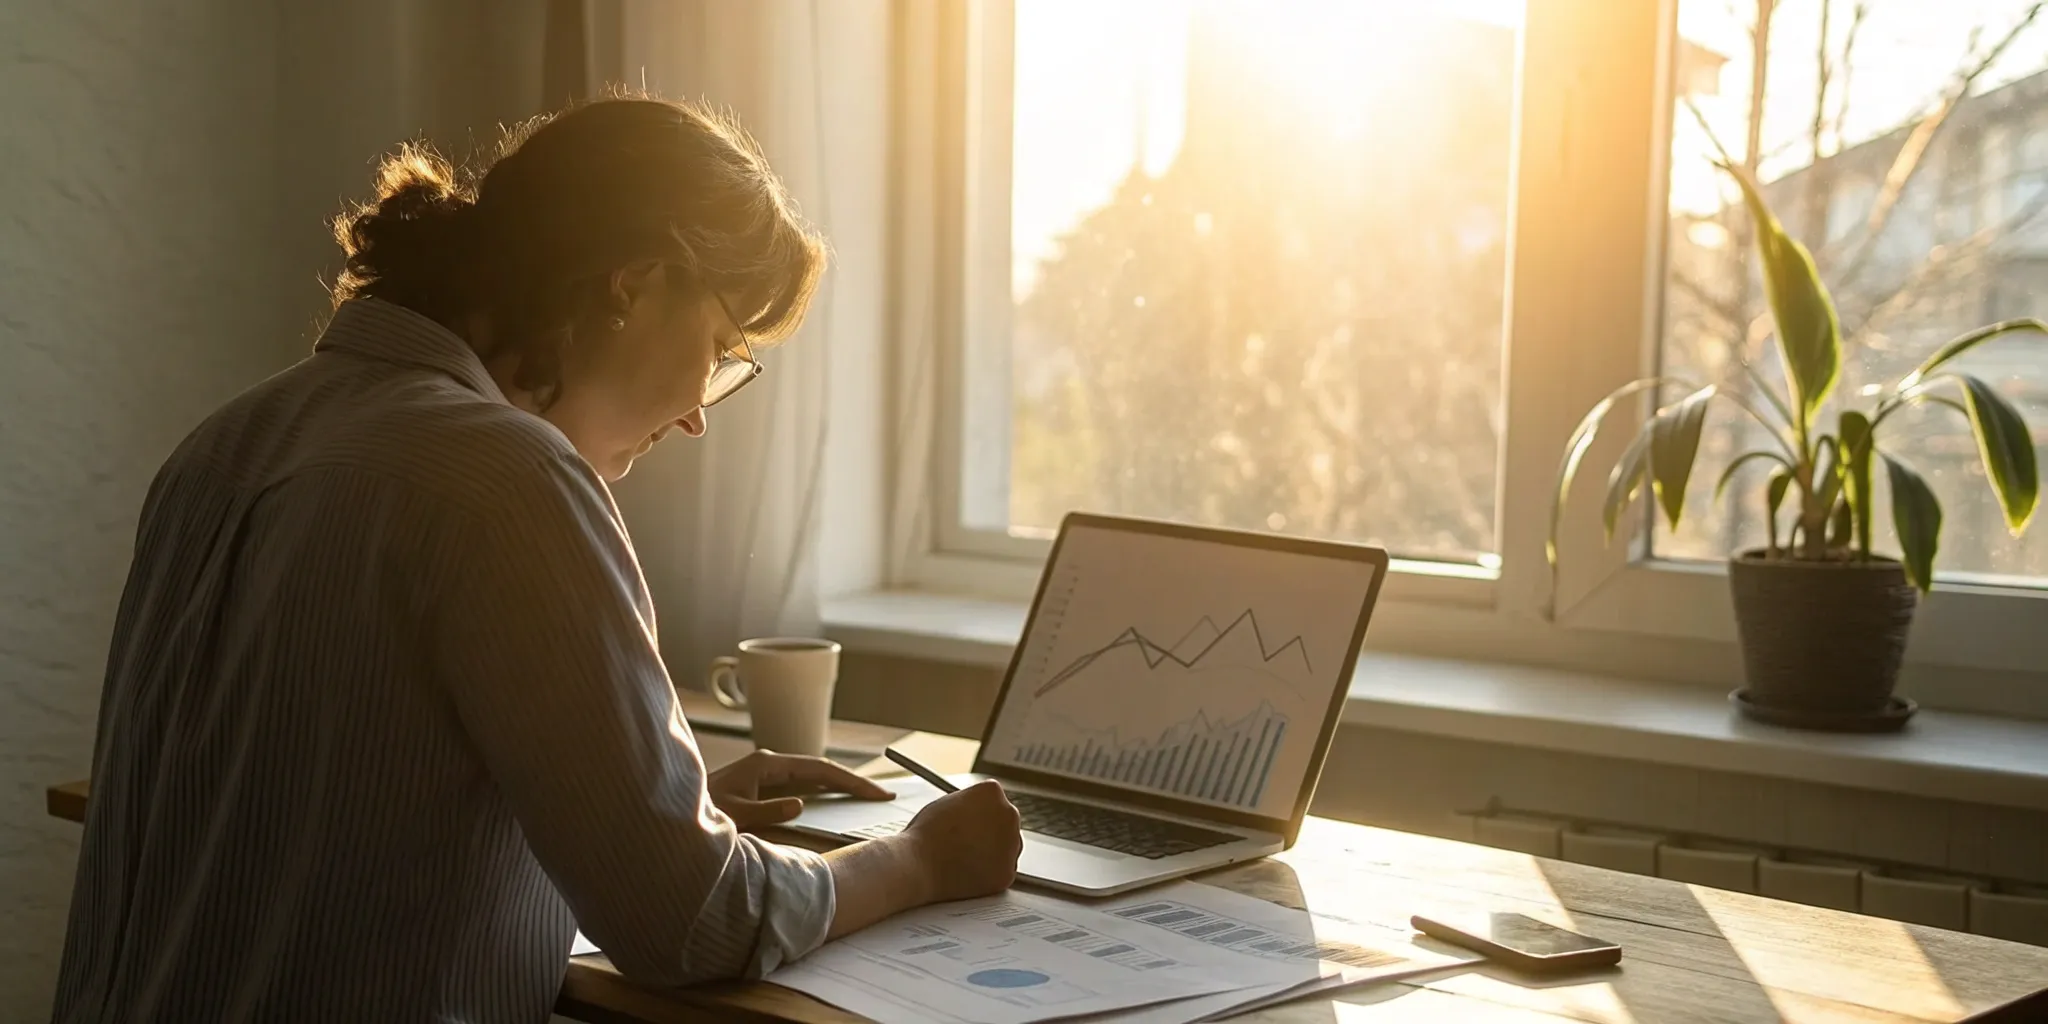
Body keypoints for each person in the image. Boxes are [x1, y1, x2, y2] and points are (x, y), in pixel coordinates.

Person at [51, 96, 1023, 1024]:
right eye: (721, 346)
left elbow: (312, 819)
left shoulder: (228, 443)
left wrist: (627, 806)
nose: (696, 411)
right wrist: (915, 862)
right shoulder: (508, 480)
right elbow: (690, 924)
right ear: (632, 286)